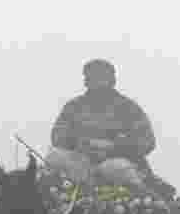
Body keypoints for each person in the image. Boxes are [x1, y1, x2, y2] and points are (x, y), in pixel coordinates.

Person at [48, 59, 165, 191]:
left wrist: (114, 146)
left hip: (117, 164)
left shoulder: (128, 108)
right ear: (86, 81)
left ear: (111, 80)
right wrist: (80, 143)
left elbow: (147, 141)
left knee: (117, 169)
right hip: (79, 163)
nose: (97, 82)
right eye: (92, 77)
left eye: (101, 77)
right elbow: (57, 136)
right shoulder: (73, 107)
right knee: (54, 156)